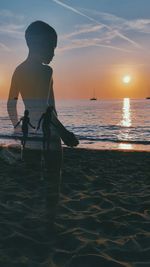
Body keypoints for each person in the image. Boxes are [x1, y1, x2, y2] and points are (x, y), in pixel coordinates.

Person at [7, 21, 62, 231]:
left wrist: (17, 127)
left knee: (31, 178)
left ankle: (30, 217)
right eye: (52, 47)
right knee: (53, 177)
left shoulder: (18, 70)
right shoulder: (47, 72)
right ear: (38, 44)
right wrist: (65, 134)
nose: (53, 53)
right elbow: (51, 110)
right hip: (50, 134)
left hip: (29, 134)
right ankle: (49, 220)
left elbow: (11, 104)